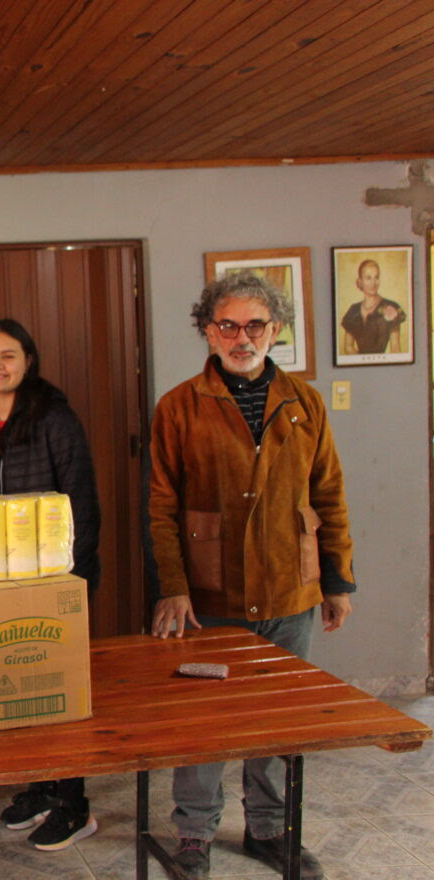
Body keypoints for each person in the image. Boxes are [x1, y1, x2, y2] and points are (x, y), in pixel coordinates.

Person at [149, 272, 356, 880]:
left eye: (255, 324)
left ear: (276, 329)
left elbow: (331, 496)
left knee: (275, 719)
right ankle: (193, 834)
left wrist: (338, 582)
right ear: (208, 331)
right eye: (228, 325)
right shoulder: (178, 406)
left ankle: (269, 830)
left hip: (292, 589)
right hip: (210, 597)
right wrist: (173, 585)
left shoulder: (305, 403)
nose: (242, 337)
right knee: (205, 723)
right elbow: (161, 506)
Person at [0, 319, 102, 851]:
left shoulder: (54, 419)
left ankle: (74, 804)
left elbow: (81, 503)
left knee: (59, 694)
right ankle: (42, 787)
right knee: (23, 689)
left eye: (8, 355)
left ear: (28, 361)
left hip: (54, 582)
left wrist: (74, 583)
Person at [340, 258, 406, 354]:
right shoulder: (353, 310)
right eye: (368, 278)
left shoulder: (392, 307)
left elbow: (395, 349)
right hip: (358, 367)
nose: (373, 283)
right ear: (360, 281)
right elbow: (348, 347)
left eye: (376, 277)